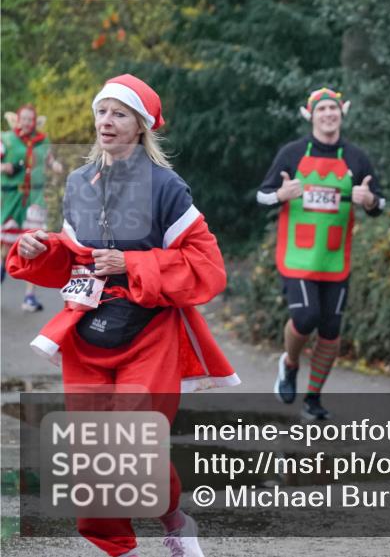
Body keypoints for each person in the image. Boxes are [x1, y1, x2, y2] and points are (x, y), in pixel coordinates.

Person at [5, 74, 240, 557]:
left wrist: (132, 263)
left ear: (141, 125)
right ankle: (118, 549)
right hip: (87, 334)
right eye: (101, 111)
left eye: (119, 113)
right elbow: (73, 259)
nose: (106, 122)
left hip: (150, 333)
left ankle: (175, 521)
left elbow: (209, 269)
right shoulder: (78, 183)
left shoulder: (166, 187)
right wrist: (39, 248)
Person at [258, 88, 386, 421]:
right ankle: (289, 364)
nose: (328, 114)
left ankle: (312, 399)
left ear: (341, 114)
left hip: (334, 256)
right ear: (311, 115)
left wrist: (369, 200)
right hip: (297, 256)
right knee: (306, 317)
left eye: (333, 109)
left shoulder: (356, 157)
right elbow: (261, 195)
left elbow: (380, 203)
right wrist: (281, 194)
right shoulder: (293, 152)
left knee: (330, 330)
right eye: (322, 109)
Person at [1, 103, 64, 310]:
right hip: (12, 197)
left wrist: (55, 166)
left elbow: (49, 160)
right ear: (17, 120)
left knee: (36, 244)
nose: (27, 122)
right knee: (7, 243)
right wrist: (4, 167)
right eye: (24, 119)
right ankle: (2, 266)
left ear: (35, 121)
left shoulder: (42, 140)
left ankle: (29, 297)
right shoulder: (6, 139)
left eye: (31, 119)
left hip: (36, 197)